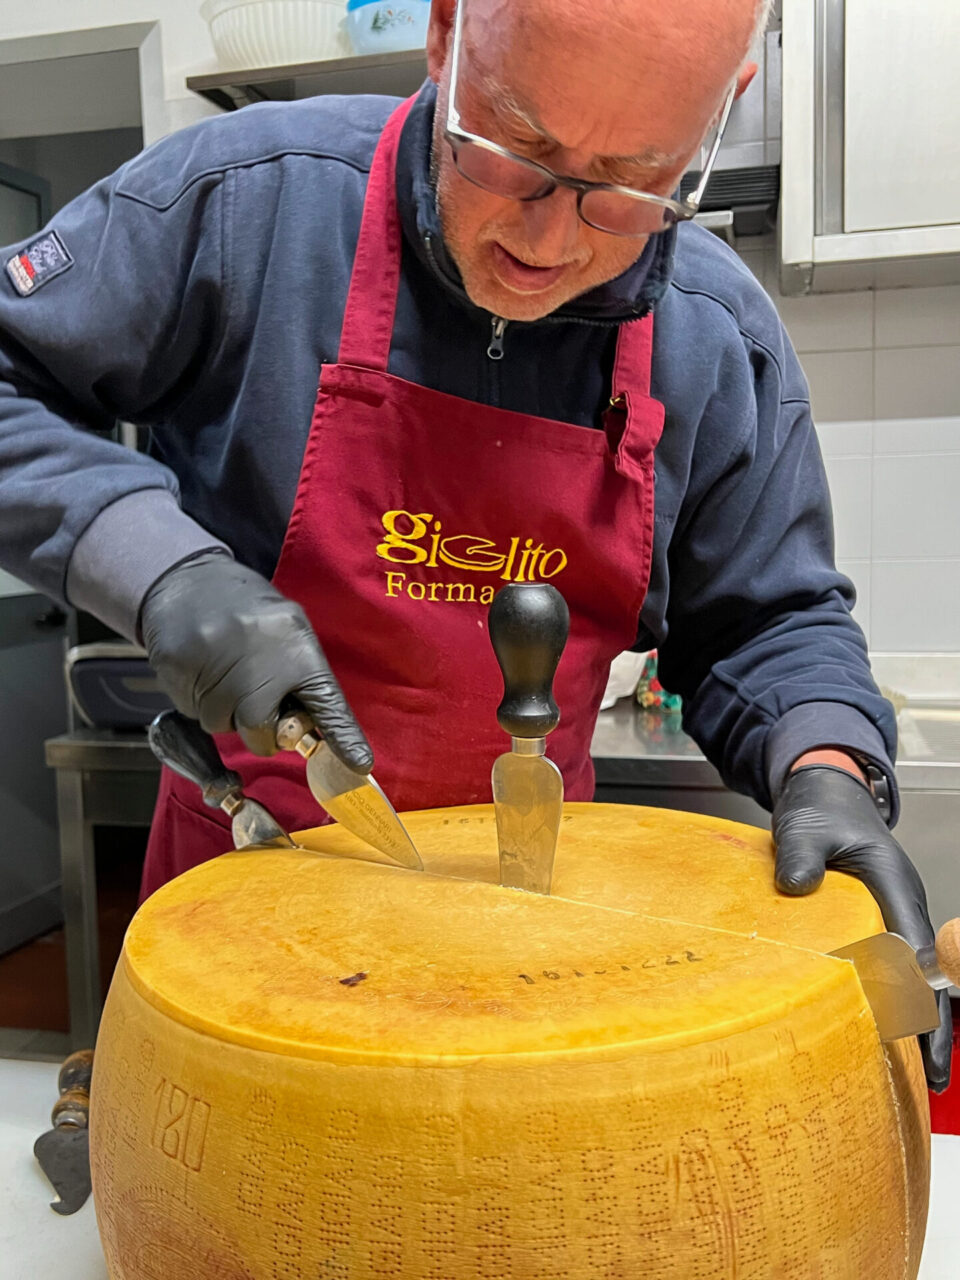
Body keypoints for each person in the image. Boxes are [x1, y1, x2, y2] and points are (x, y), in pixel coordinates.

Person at [0, 0, 950, 1090]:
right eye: (519, 150)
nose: (549, 242)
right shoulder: (242, 204)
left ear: (719, 117)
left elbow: (769, 620)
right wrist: (157, 565)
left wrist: (826, 761)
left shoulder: (714, 335)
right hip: (240, 900)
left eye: (633, 182)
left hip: (529, 941)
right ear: (447, 33)